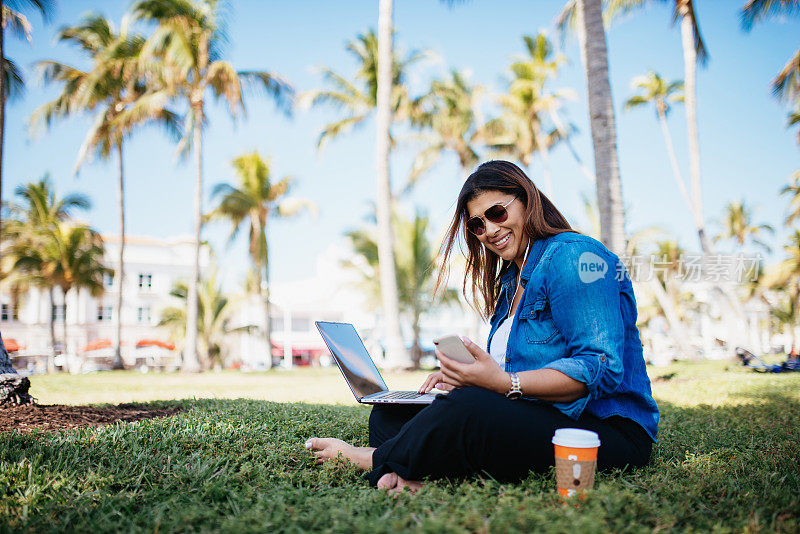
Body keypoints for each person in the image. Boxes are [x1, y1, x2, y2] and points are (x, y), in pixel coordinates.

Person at [305, 160, 659, 495]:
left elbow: (599, 368)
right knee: (390, 415)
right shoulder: (510, 280)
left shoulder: (576, 256)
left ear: (527, 201)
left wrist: (502, 384)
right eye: (477, 224)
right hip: (541, 415)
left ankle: (369, 458)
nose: (489, 230)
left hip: (603, 431)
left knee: (468, 410)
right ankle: (416, 470)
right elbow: (515, 376)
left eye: (497, 213)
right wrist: (469, 376)